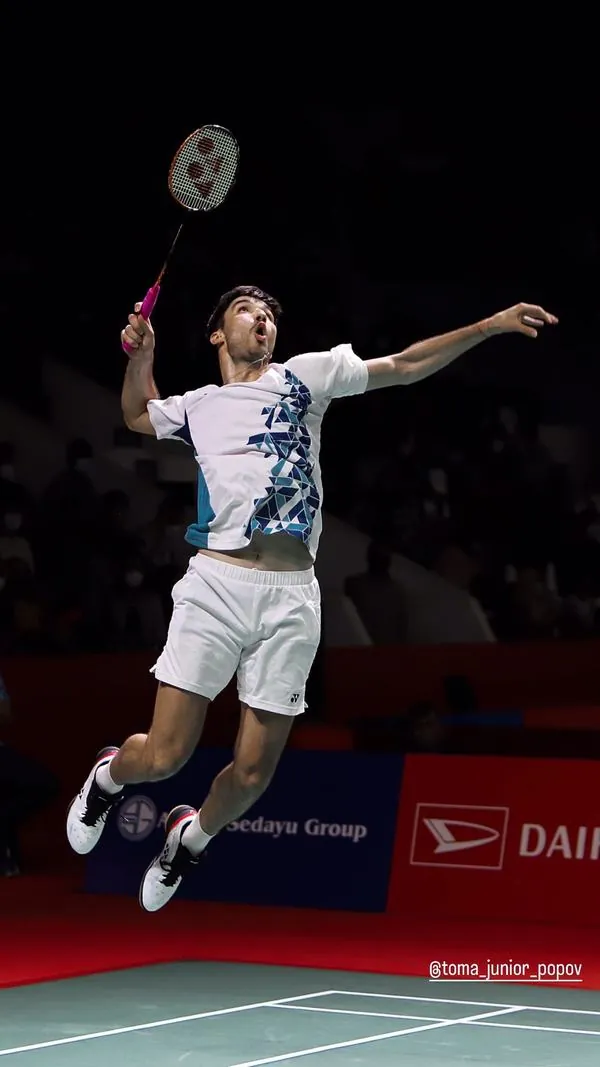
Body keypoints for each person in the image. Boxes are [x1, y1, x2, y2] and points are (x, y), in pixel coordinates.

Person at [67, 285, 557, 911]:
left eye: (269, 314)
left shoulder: (304, 378)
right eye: (247, 310)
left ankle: (190, 838)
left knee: (252, 776)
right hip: (216, 586)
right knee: (164, 757)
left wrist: (487, 325)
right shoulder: (201, 406)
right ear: (218, 333)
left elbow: (404, 366)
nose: (262, 318)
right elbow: (139, 414)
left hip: (291, 598)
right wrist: (141, 359)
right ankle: (108, 776)